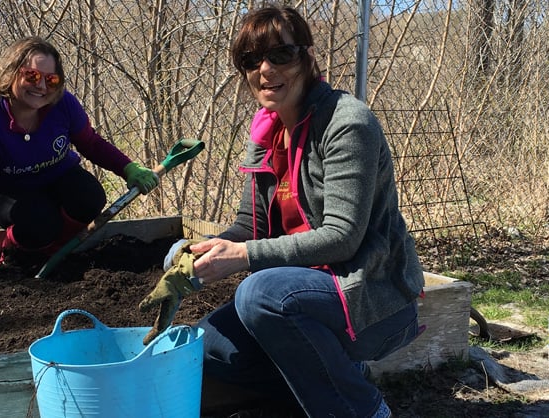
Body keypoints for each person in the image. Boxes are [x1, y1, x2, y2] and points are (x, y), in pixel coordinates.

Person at [140, 5, 424, 417]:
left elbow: (343, 238)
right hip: (307, 294)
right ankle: (332, 379)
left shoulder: (347, 124)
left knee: (258, 294)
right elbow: (247, 226)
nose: (266, 70)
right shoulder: (267, 130)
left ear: (307, 57)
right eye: (251, 61)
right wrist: (204, 248)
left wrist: (243, 257)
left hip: (371, 295)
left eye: (281, 55)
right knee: (210, 346)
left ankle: (363, 409)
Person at [0, 36, 158, 282]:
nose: (41, 86)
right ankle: (14, 246)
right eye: (32, 76)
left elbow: (90, 143)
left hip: (58, 177)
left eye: (51, 80)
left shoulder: (63, 104)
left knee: (89, 197)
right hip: (10, 192)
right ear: (11, 73)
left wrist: (129, 168)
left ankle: (53, 251)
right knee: (39, 221)